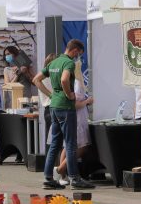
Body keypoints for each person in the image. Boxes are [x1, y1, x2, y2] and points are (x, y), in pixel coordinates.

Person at [33, 39, 96, 190]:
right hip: (66, 108)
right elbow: (64, 79)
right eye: (78, 54)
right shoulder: (68, 63)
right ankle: (74, 178)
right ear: (74, 50)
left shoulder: (54, 62)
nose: (77, 57)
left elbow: (36, 79)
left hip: (54, 106)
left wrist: (51, 94)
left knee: (55, 144)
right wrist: (69, 95)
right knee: (70, 144)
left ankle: (48, 178)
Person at [56, 64, 95, 179]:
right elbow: (75, 104)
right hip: (77, 118)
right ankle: (60, 169)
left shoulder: (70, 81)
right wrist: (87, 102)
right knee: (82, 147)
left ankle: (62, 174)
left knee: (67, 146)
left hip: (72, 116)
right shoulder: (77, 82)